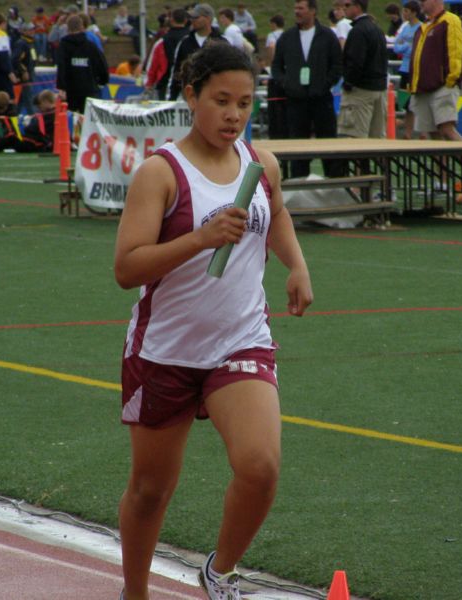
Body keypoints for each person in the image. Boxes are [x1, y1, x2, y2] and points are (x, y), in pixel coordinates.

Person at [113, 41, 313, 600]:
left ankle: (220, 571)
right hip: (166, 351)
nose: (233, 114)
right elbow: (127, 268)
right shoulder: (161, 173)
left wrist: (296, 266)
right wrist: (198, 239)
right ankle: (135, 592)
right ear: (191, 95)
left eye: (245, 103)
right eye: (221, 100)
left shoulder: (260, 165)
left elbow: (276, 215)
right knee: (152, 490)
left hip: (240, 340)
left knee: (261, 466)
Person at [271, 0, 343, 178]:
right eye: (295, 8)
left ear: (313, 11)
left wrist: (325, 84)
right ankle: (298, 189)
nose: (297, 12)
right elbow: (276, 68)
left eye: (300, 8)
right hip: (295, 102)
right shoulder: (287, 38)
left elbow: (337, 65)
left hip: (322, 100)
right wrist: (287, 84)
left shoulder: (327, 36)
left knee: (328, 147)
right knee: (297, 150)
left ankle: (336, 189)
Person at [408, 0, 462, 142]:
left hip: (442, 86)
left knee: (447, 129)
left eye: (424, 0)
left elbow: (456, 52)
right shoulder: (423, 26)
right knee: (433, 134)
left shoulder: (449, 21)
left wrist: (452, 79)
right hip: (423, 89)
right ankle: (442, 165)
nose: (420, 3)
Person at [338, 0, 388, 139]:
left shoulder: (358, 31)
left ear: (358, 7)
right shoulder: (376, 29)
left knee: (355, 139)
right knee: (377, 139)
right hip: (379, 89)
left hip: (361, 91)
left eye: (347, 5)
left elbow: (355, 61)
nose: (344, 8)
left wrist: (348, 83)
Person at [167, 4, 225, 101]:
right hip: (189, 99)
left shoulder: (222, 43)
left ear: (208, 19)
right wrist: (171, 99)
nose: (192, 20)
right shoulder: (184, 43)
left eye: (196, 17)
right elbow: (177, 72)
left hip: (215, 99)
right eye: (191, 17)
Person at [56, 14, 109, 113]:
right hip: (89, 90)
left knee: (73, 122)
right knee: (89, 122)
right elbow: (102, 65)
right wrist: (102, 81)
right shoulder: (91, 46)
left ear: (68, 28)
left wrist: (62, 87)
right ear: (82, 27)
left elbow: (61, 66)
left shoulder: (64, 46)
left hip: (71, 91)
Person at [392, 0, 422, 139]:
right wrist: (406, 48)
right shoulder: (405, 27)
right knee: (406, 100)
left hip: (415, 68)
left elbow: (417, 48)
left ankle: (422, 132)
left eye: (406, 11)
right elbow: (396, 45)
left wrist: (406, 47)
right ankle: (408, 133)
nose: (404, 14)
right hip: (404, 68)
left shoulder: (420, 27)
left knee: (417, 100)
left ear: (414, 13)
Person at [144, 8, 188, 100]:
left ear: (171, 20)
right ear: (186, 20)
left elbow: (153, 64)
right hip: (189, 84)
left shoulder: (162, 41)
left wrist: (149, 83)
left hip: (166, 83)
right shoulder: (192, 39)